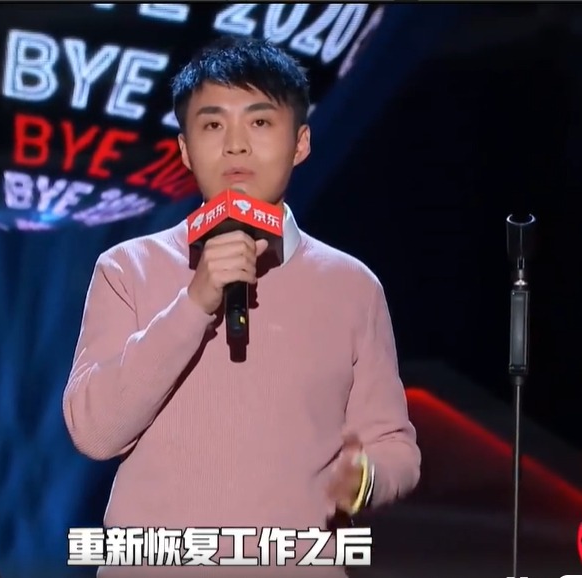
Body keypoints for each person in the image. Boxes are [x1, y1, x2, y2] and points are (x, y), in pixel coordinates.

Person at [62, 36, 420, 576]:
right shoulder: (126, 268)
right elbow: (94, 432)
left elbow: (394, 445)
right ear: (185, 150)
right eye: (211, 125)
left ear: (300, 143)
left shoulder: (352, 286)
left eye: (259, 122)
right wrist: (194, 302)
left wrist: (367, 479)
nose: (235, 146)